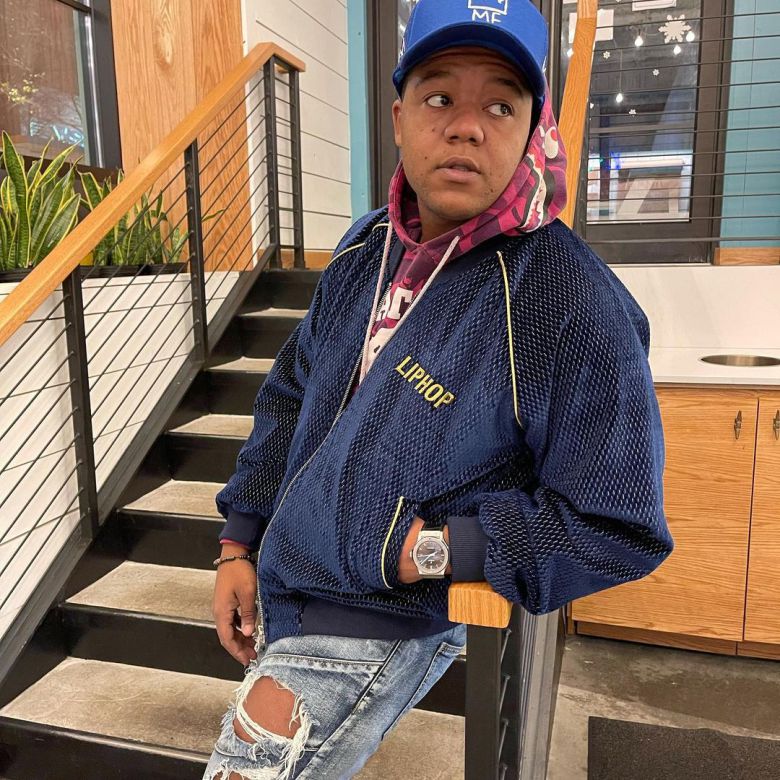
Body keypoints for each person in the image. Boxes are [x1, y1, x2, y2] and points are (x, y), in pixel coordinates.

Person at [203, 1, 674, 777]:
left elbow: (618, 527)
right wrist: (237, 543)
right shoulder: (365, 248)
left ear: (533, 129)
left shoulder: (568, 300)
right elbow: (291, 393)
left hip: (379, 619)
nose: (465, 127)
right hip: (287, 582)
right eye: (440, 97)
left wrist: (426, 551)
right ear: (400, 118)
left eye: (500, 105)